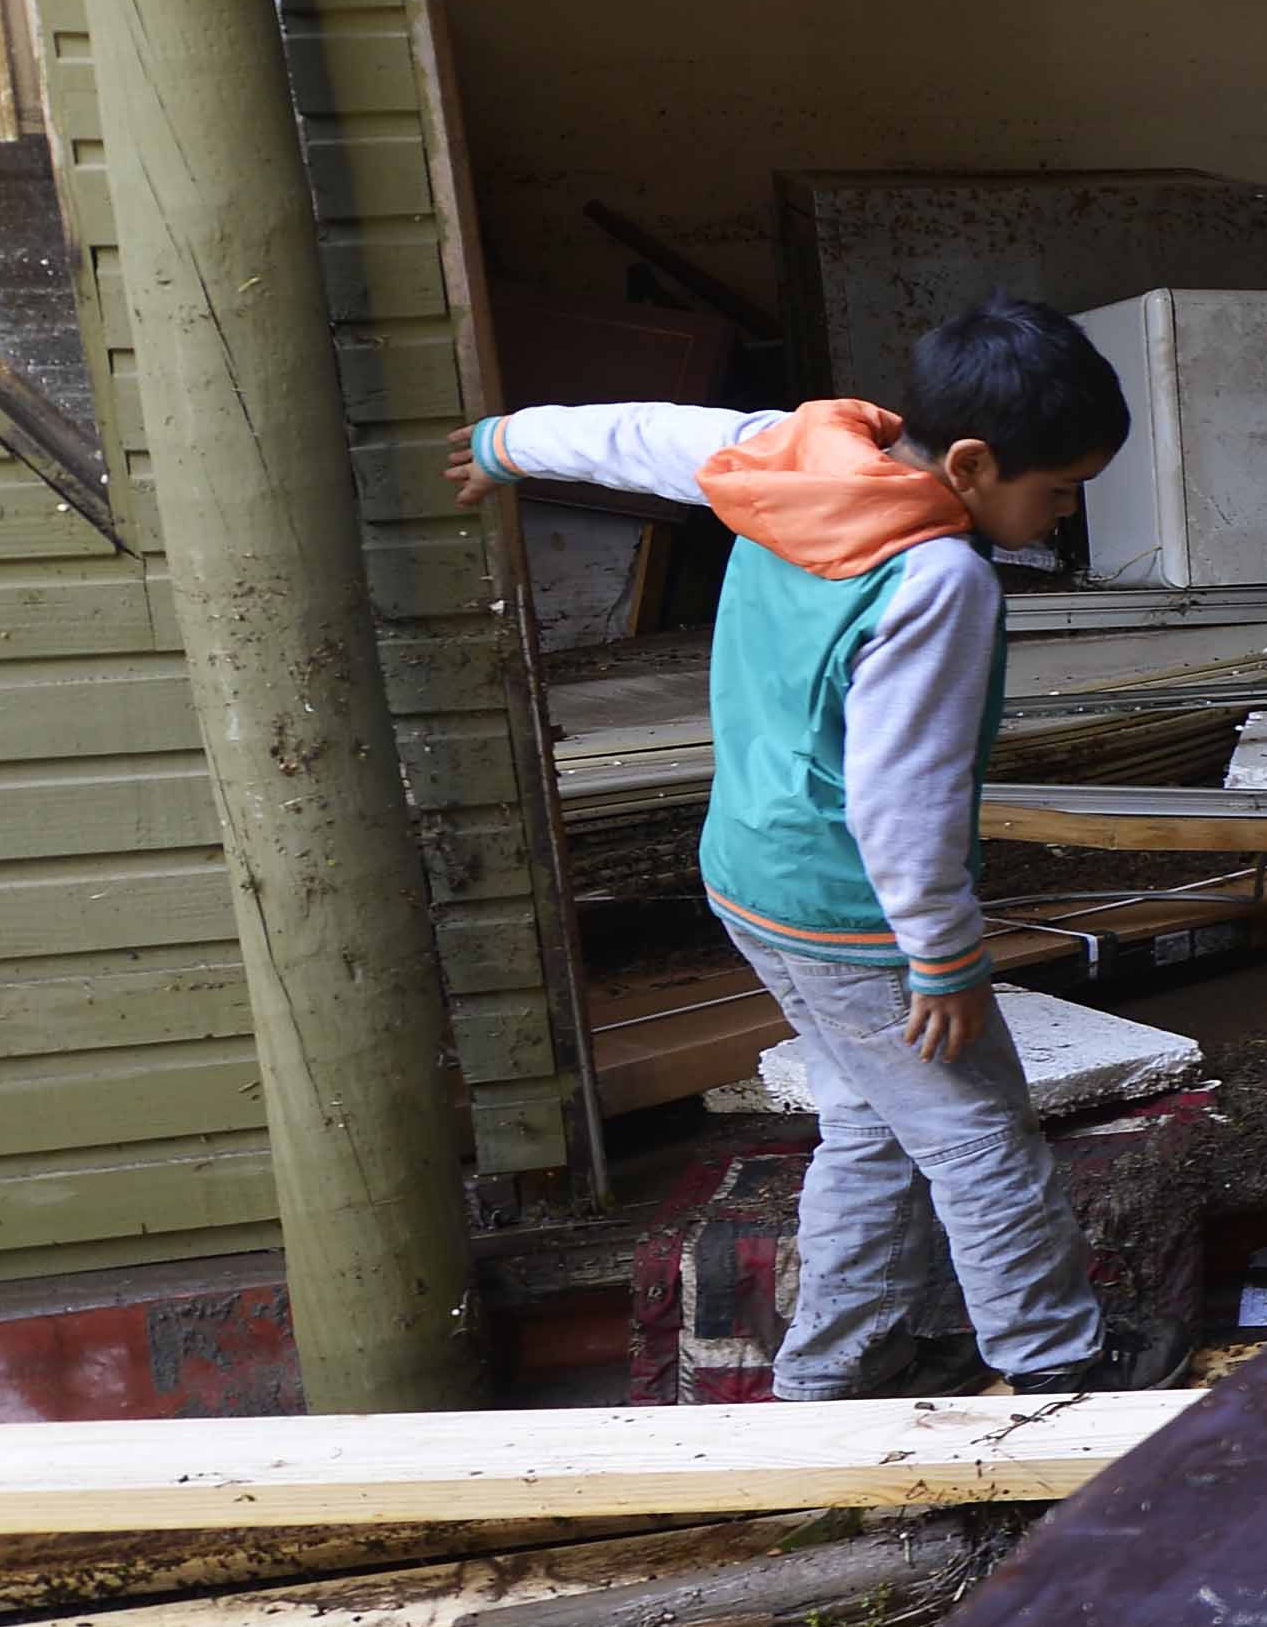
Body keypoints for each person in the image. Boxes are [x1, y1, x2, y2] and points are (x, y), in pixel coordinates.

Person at [454, 297, 1132, 1398]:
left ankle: (829, 1378)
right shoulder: (937, 578)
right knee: (980, 1141)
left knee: (871, 1118)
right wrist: (944, 954)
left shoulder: (794, 449)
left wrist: (507, 442)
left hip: (747, 873)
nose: (1060, 516)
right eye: (1055, 490)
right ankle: (1057, 1371)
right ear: (969, 462)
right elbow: (899, 789)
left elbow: (639, 437)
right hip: (851, 906)